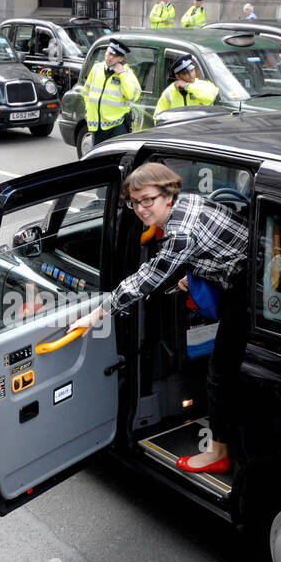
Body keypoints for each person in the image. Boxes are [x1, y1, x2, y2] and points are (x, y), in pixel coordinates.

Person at [67, 163, 248, 474]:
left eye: (147, 200)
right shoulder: (188, 202)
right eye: (134, 202)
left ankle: (218, 452)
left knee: (219, 371)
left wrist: (96, 314)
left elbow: (147, 278)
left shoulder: (179, 234)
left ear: (168, 195)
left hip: (247, 289)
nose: (140, 209)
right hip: (243, 269)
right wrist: (196, 275)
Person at [80, 39, 142, 146]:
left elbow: (132, 96)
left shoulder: (127, 73)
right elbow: (86, 92)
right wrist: (88, 109)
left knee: (115, 158)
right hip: (97, 125)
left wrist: (121, 75)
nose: (110, 57)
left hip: (116, 126)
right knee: (98, 158)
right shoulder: (96, 69)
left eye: (114, 55)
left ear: (121, 58)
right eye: (108, 53)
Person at [154, 55, 219, 114]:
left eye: (192, 70)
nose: (191, 75)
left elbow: (209, 97)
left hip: (200, 126)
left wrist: (187, 86)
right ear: (178, 76)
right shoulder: (169, 92)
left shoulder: (205, 84)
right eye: (185, 73)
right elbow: (158, 116)